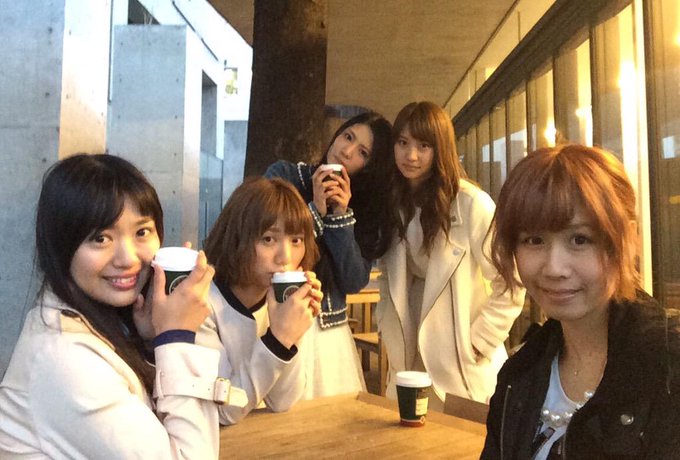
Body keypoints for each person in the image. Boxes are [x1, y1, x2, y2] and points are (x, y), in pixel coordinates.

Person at [0, 154, 233, 458]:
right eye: (101, 238)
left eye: (141, 232)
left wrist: (150, 343)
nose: (128, 259)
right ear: (61, 246)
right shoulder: (64, 359)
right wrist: (177, 338)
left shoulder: (100, 323)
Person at [482, 144, 680, 458]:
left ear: (628, 240)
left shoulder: (668, 368)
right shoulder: (519, 375)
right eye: (534, 240)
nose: (554, 268)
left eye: (579, 239)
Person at [376, 101, 524, 408]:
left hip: (460, 361)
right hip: (409, 354)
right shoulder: (393, 204)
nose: (411, 155)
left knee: (463, 435)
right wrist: (384, 322)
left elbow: (510, 282)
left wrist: (477, 342)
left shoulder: (471, 203)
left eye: (423, 145)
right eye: (402, 143)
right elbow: (389, 277)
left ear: (440, 148)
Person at [264, 111, 393, 398]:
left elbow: (353, 280)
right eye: (347, 137)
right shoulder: (285, 176)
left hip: (328, 333)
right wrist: (315, 210)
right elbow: (265, 247)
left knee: (331, 421)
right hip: (276, 322)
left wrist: (339, 214)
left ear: (369, 167)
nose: (347, 151)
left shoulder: (364, 208)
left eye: (362, 153)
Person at [198, 177, 322, 424]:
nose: (285, 257)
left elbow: (283, 401)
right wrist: (279, 339)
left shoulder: (278, 301)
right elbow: (224, 412)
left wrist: (292, 332)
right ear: (237, 237)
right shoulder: (203, 301)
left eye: (296, 240)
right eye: (268, 239)